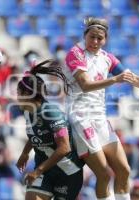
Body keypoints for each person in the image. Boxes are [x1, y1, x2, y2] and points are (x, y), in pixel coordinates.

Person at [63, 17, 139, 200]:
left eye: (100, 38)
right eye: (92, 37)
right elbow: (85, 84)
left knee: (124, 170)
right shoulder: (76, 53)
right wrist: (115, 80)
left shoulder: (106, 58)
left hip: (99, 118)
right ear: (85, 35)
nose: (95, 42)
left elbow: (133, 79)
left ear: (106, 39)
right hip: (80, 118)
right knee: (104, 174)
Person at [16, 59, 84, 200]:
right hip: (45, 171)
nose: (16, 97)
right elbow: (36, 135)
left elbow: (64, 148)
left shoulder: (51, 113)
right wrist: (25, 153)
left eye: (18, 92)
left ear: (26, 94)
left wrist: (37, 171)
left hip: (67, 173)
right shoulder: (28, 112)